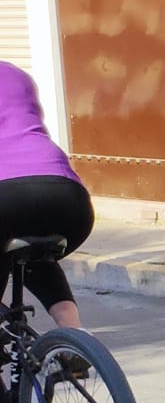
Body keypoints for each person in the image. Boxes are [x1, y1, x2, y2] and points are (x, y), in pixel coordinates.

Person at [0, 61, 94, 331]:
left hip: (5, 197)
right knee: (35, 255)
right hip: (67, 198)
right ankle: (73, 335)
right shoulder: (16, 74)